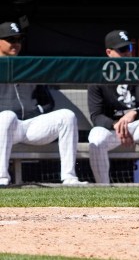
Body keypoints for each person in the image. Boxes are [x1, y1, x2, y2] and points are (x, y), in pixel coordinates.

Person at [0, 21, 87, 186]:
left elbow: (48, 102)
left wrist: (34, 111)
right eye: (10, 39)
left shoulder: (27, 67)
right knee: (7, 116)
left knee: (67, 116)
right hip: (4, 127)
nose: (16, 44)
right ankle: (1, 178)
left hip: (29, 127)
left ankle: (69, 177)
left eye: (18, 39)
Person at [87, 30, 139, 184]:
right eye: (122, 50)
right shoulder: (98, 76)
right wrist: (116, 125)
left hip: (137, 128)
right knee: (96, 138)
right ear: (109, 52)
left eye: (129, 49)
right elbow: (96, 115)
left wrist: (135, 112)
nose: (127, 53)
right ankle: (103, 189)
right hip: (113, 131)